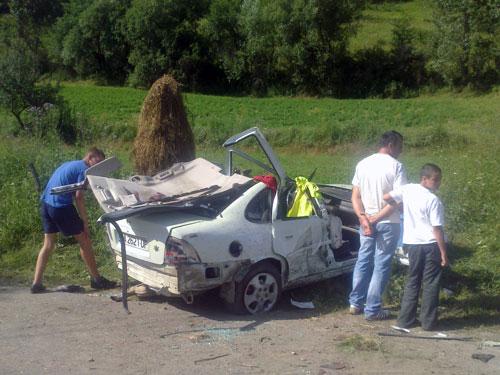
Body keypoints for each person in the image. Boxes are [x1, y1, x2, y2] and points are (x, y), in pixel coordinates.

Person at [31, 147, 117, 294]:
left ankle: (36, 284)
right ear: (90, 157)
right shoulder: (84, 170)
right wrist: (85, 223)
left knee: (48, 244)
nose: (98, 166)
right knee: (84, 240)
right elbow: (79, 197)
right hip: (61, 206)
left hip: (46, 204)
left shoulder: (70, 164)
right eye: (98, 162)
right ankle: (96, 280)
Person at [349, 131, 407, 320]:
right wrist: (374, 219)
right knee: (381, 264)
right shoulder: (396, 166)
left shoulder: (362, 164)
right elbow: (397, 202)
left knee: (363, 260)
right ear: (391, 146)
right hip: (388, 222)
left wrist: (363, 218)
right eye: (400, 147)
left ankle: (355, 303)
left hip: (365, 221)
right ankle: (373, 309)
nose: (401, 151)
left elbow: (355, 197)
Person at [384, 163, 448, 330]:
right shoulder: (433, 200)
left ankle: (405, 320)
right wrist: (443, 253)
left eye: (439, 180)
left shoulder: (408, 190)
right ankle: (428, 323)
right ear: (424, 179)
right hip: (431, 244)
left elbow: (386, 197)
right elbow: (437, 229)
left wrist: (401, 207)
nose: (438, 183)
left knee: (413, 280)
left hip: (411, 244)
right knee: (431, 283)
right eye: (435, 180)